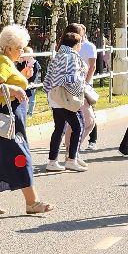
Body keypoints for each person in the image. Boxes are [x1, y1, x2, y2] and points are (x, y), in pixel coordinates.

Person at [0, 24, 50, 216]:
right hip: (3, 119)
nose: (22, 51)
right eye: (19, 47)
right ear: (8, 47)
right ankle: (32, 202)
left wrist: (20, 80)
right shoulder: (1, 61)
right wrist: (15, 89)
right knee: (21, 156)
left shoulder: (2, 61)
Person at [43, 28, 90, 171]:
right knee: (78, 126)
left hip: (54, 97)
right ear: (75, 44)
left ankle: (52, 161)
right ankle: (71, 159)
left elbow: (49, 78)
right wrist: (83, 73)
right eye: (80, 43)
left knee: (59, 128)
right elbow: (72, 79)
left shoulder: (58, 55)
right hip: (66, 98)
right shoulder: (72, 57)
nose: (81, 45)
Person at [74, 24, 101, 149]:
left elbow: (92, 66)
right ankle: (72, 138)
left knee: (89, 112)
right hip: (73, 84)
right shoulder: (72, 46)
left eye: (79, 32)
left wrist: (86, 82)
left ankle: (93, 140)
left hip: (85, 83)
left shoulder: (89, 46)